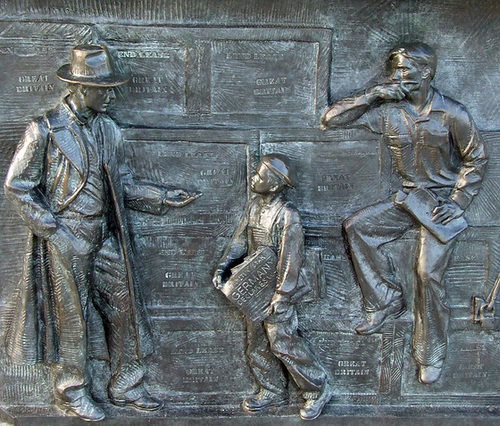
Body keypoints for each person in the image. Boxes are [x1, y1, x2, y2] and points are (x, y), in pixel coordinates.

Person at [4, 45, 200, 421]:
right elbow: (18, 186)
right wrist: (56, 232)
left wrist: (160, 197)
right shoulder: (44, 129)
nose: (111, 95)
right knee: (72, 318)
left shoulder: (109, 130)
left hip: (105, 235)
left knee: (123, 305)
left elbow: (121, 185)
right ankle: (72, 392)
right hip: (68, 236)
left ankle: (126, 383)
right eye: (104, 88)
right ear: (80, 88)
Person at [321, 42, 487, 384]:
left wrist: (457, 202)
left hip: (441, 204)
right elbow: (330, 119)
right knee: (357, 227)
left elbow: (476, 159)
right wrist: (373, 95)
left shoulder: (453, 113)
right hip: (409, 199)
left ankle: (431, 353)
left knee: (428, 274)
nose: (397, 76)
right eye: (394, 70)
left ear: (426, 72)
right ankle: (384, 300)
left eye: (404, 70)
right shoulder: (389, 110)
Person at [213, 155, 333, 421]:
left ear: (275, 185)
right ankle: (271, 390)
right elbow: (239, 242)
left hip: (277, 288)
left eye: (259, 176)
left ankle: (317, 389)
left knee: (283, 342)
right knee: (256, 343)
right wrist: (224, 266)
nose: (254, 179)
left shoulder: (288, 215)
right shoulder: (254, 206)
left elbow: (291, 258)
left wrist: (283, 295)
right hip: (253, 285)